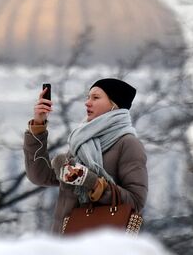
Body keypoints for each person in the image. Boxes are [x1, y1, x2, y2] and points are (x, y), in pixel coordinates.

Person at [23, 78, 148, 234]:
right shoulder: (82, 142)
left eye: (95, 98)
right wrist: (38, 125)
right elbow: (39, 176)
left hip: (100, 243)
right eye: (88, 97)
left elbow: (136, 202)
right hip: (65, 240)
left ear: (114, 105)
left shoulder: (128, 144)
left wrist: (93, 183)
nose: (87, 103)